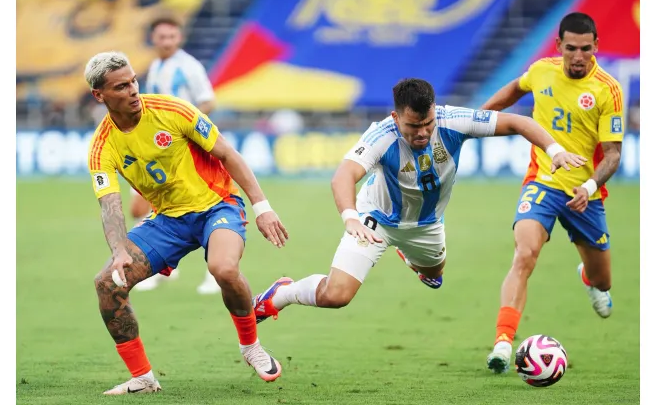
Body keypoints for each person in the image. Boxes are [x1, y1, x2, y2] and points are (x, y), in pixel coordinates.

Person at [250, 78, 585, 333]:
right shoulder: (381, 136)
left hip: (426, 226)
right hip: (374, 221)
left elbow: (519, 123)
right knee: (336, 296)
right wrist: (350, 216)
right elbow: (343, 175)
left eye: (428, 124)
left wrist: (555, 151)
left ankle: (414, 259)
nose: (423, 132)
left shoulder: (453, 120)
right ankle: (283, 293)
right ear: (396, 117)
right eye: (413, 126)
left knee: (435, 274)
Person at [85, 51, 289, 395]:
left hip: (216, 206)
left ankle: (250, 345)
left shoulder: (171, 109)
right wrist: (119, 249)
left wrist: (263, 207)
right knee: (108, 283)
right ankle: (144, 378)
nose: (133, 90)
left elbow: (227, 154)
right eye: (122, 86)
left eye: (134, 80)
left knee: (223, 269)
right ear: (99, 95)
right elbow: (110, 205)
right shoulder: (102, 146)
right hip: (166, 222)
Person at [479, 12, 624, 373]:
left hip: (585, 194)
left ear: (596, 47)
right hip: (542, 182)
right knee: (524, 254)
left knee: (604, 279)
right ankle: (502, 342)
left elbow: (613, 155)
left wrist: (589, 187)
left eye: (586, 49)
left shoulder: (608, 89)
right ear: (558, 45)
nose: (578, 56)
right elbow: (516, 88)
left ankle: (589, 278)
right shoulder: (542, 70)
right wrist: (480, 116)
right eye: (571, 48)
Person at [135, 16, 220, 293]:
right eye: (163, 37)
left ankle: (215, 274)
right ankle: (162, 268)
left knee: (203, 208)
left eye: (172, 36)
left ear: (179, 38)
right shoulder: (157, 66)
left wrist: (185, 127)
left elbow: (208, 100)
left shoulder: (188, 66)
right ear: (154, 39)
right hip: (160, 148)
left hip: (186, 148)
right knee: (146, 206)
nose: (168, 42)